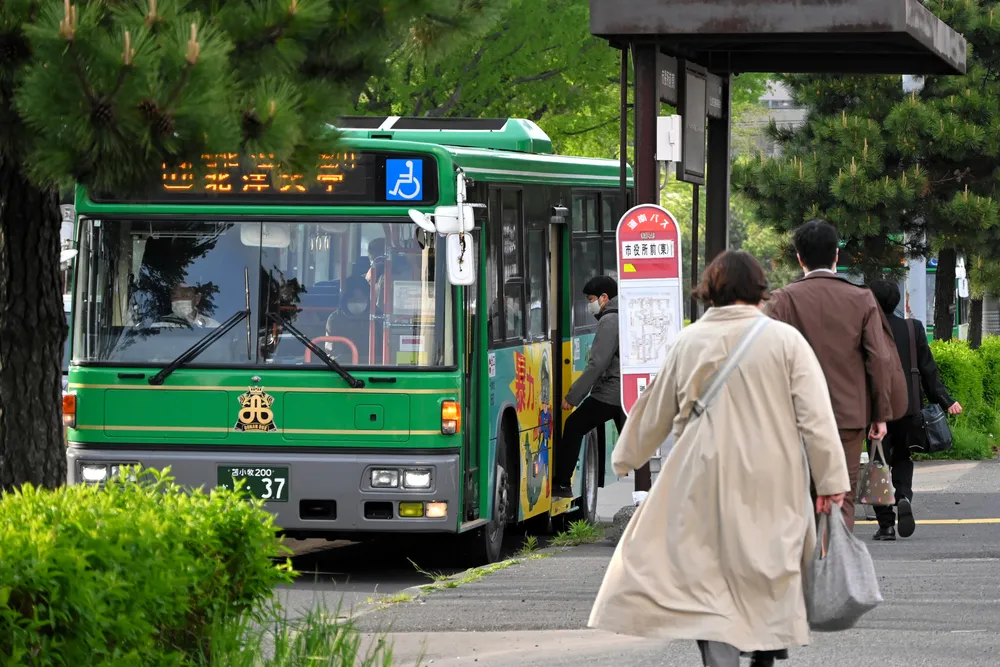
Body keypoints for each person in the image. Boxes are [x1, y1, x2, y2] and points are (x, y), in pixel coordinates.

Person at [588, 251, 850, 667]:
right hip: (773, 477)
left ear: (709, 291)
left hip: (701, 476)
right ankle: (764, 650)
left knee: (708, 574)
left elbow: (653, 411)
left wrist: (627, 456)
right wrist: (832, 484)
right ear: (759, 289)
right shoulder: (786, 342)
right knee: (768, 567)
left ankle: (718, 652)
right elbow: (816, 419)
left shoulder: (687, 342)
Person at [766, 220, 902, 531]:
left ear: (799, 258)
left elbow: (766, 358)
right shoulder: (862, 299)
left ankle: (807, 569)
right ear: (836, 255)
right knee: (842, 497)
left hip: (794, 418)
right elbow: (879, 359)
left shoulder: (781, 300)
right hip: (848, 418)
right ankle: (835, 567)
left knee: (798, 498)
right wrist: (880, 415)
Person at [869, 279, 962, 541]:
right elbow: (928, 370)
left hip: (875, 410)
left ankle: (885, 526)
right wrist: (946, 400)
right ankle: (903, 497)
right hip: (908, 407)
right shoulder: (913, 328)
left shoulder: (866, 330)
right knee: (902, 457)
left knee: (878, 464)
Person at [553, 275, 624, 499]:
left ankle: (562, 484)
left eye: (591, 298)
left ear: (604, 297)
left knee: (574, 425)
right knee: (635, 443)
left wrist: (573, 397)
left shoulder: (609, 320)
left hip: (611, 392)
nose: (589, 303)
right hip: (624, 392)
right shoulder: (620, 314)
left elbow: (598, 364)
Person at [324, 275, 371, 363]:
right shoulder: (335, 319)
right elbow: (332, 353)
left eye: (361, 300)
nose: (357, 303)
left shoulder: (377, 318)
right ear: (345, 299)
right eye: (353, 300)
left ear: (368, 299)